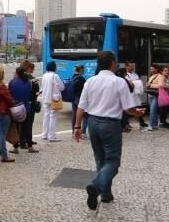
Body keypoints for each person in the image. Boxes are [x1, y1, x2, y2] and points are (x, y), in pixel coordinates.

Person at [74, 51, 144, 209]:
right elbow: (128, 108)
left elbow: (81, 106)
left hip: (92, 122)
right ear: (113, 63)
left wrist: (77, 127)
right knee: (112, 161)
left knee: (100, 159)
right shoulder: (119, 82)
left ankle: (105, 194)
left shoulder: (90, 81)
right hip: (110, 124)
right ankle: (96, 186)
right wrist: (138, 112)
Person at [9, 64, 38, 153]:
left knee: (16, 128)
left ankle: (15, 147)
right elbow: (30, 94)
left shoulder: (12, 82)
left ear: (17, 73)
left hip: (15, 108)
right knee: (27, 128)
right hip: (26, 108)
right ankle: (30, 146)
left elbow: (9, 94)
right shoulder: (29, 83)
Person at [40, 61, 65, 141]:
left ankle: (44, 134)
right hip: (54, 99)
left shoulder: (44, 75)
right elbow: (62, 87)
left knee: (46, 116)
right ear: (54, 67)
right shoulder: (55, 76)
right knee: (53, 117)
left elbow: (42, 87)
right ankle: (51, 136)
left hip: (45, 98)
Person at [69, 65, 87, 134]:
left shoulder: (73, 77)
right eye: (83, 69)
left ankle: (73, 131)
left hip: (73, 98)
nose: (84, 71)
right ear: (81, 70)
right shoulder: (81, 78)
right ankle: (82, 132)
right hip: (79, 98)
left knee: (74, 114)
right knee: (85, 115)